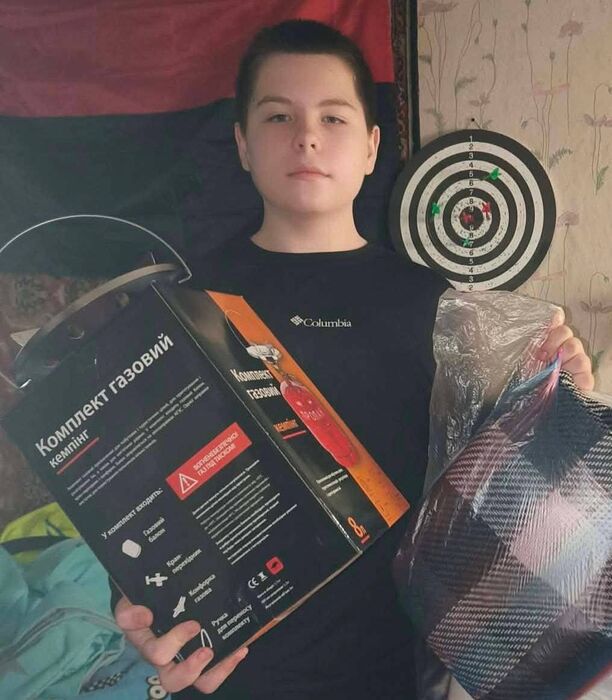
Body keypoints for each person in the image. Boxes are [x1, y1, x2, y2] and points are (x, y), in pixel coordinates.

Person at [113, 19, 595, 699]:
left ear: (371, 147)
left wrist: (557, 403)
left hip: (389, 669)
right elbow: (134, 488)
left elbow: (500, 501)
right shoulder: (185, 304)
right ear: (243, 144)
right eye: (278, 116)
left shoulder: (440, 309)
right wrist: (135, 608)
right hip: (228, 669)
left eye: (332, 118)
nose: (306, 137)